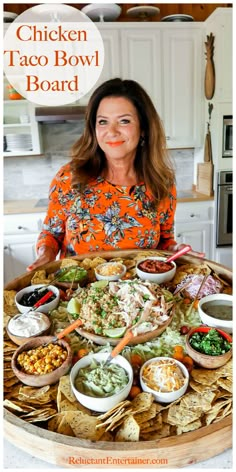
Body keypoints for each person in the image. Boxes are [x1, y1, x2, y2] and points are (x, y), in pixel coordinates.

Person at [27, 78, 204, 271]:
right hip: (77, 295)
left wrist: (176, 249)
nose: (111, 131)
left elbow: (164, 240)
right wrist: (45, 254)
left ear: (143, 128)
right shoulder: (70, 178)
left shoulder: (161, 183)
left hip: (140, 295)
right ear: (94, 130)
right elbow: (51, 234)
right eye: (103, 122)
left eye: (124, 121)